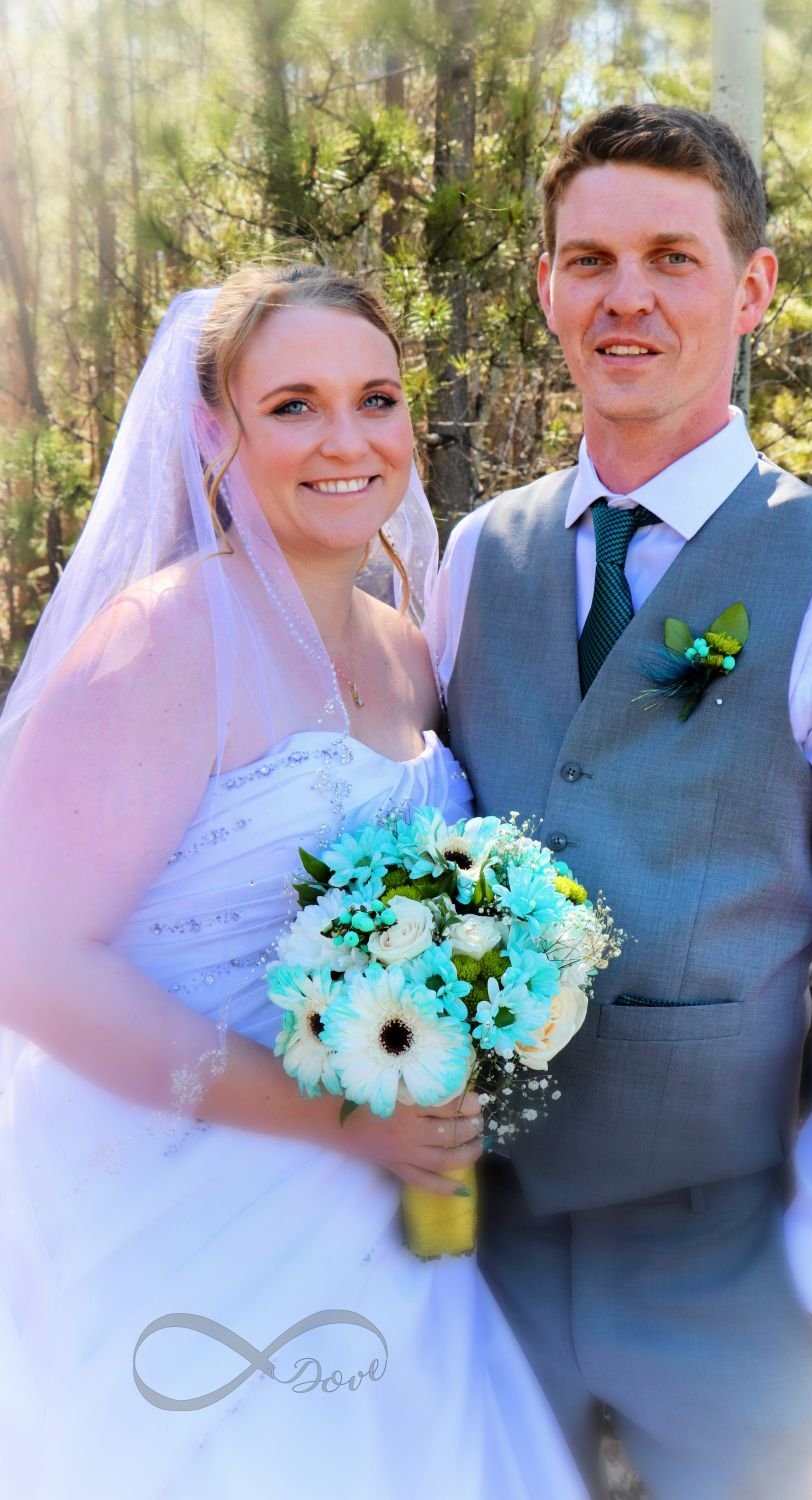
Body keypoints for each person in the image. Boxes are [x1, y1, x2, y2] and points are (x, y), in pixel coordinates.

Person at [426, 104, 812, 1500]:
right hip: (479, 1249)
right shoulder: (474, 558)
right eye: (590, 259)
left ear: (753, 287)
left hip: (727, 1262)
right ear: (547, 285)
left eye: (672, 257)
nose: (628, 297)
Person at [0, 265, 587, 1499]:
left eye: (375, 398)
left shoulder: (406, 647)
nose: (347, 441)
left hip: (383, 1213)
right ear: (212, 431)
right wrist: (335, 1121)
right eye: (293, 406)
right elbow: (29, 961)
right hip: (183, 1208)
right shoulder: (163, 639)